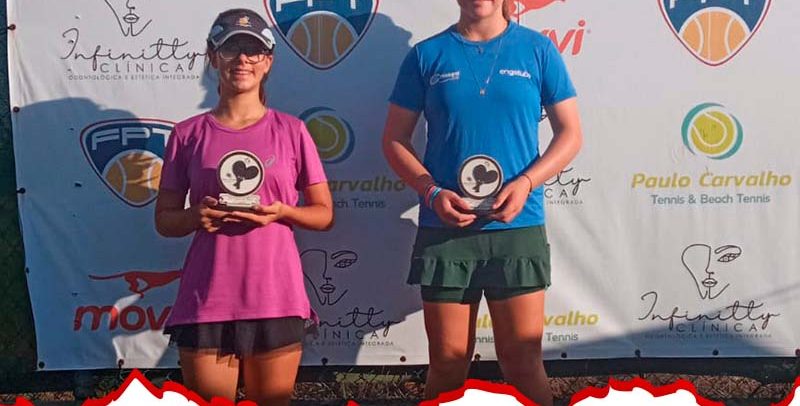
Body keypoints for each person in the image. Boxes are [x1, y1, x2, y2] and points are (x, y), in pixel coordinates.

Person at [382, 1, 582, 404]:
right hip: (446, 231)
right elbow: (394, 139)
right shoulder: (427, 55)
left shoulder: (537, 50)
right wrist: (431, 192)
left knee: (522, 362)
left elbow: (571, 134)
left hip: (517, 227)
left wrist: (526, 183)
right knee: (447, 363)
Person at [154, 8, 333, 406]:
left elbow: (323, 214)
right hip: (207, 298)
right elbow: (164, 220)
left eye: (253, 51)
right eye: (231, 48)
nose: (242, 60)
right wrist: (195, 216)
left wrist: (282, 212)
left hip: (276, 295)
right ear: (212, 56)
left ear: (268, 61)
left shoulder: (292, 130)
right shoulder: (186, 134)